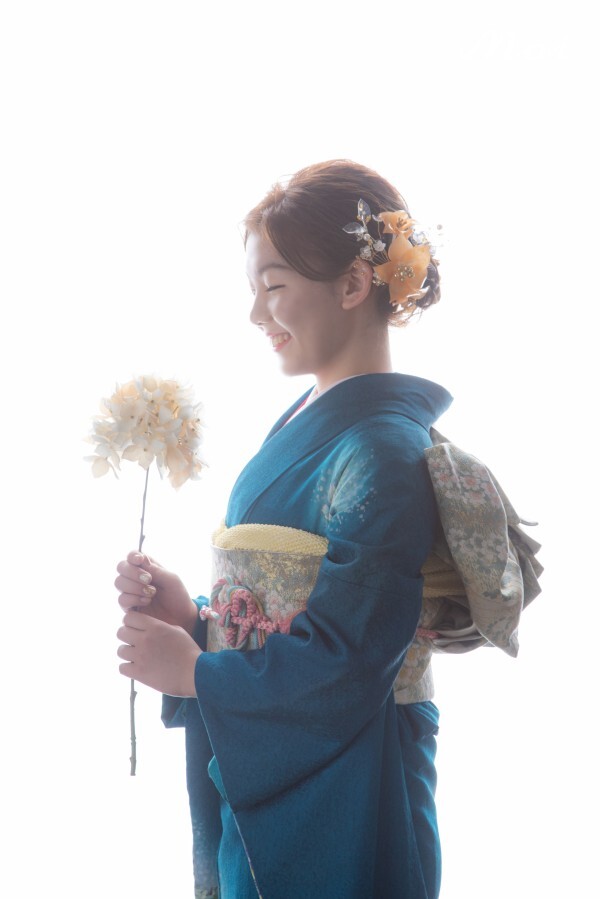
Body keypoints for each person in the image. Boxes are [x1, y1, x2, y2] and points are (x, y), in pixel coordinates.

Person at [115, 160, 453, 898]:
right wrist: (197, 623)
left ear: (353, 284)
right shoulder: (317, 419)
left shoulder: (382, 450)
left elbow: (347, 662)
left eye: (272, 287)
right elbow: (285, 616)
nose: (255, 315)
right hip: (293, 749)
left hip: (356, 777)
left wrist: (198, 671)